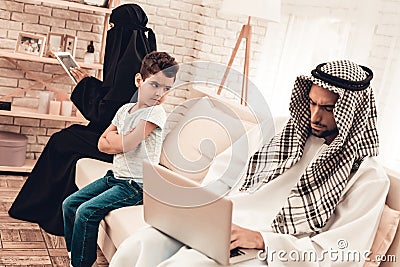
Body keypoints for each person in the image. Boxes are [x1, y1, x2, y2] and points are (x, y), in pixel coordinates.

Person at [109, 60, 390, 266]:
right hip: (226, 228)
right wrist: (201, 211)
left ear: (352, 111)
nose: (315, 116)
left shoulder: (368, 176)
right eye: (312, 103)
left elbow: (342, 252)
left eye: (328, 108)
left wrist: (263, 240)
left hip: (274, 252)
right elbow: (226, 171)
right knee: (141, 244)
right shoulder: (282, 130)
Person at [8, 4, 157, 236]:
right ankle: (51, 213)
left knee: (62, 141)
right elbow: (112, 102)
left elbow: (106, 114)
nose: (111, 32)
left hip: (120, 143)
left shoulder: (130, 66)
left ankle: (38, 210)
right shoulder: (140, 59)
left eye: (113, 27)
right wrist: (89, 81)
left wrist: (84, 85)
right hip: (113, 133)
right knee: (69, 142)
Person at [62, 51, 178, 267]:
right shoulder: (125, 110)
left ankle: (80, 264)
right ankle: (74, 255)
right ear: (139, 80)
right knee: (70, 204)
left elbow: (125, 143)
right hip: (116, 177)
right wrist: (118, 140)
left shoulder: (155, 114)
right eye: (154, 85)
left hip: (138, 185)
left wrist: (117, 139)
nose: (159, 93)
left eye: (167, 89)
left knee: (86, 212)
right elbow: (101, 144)